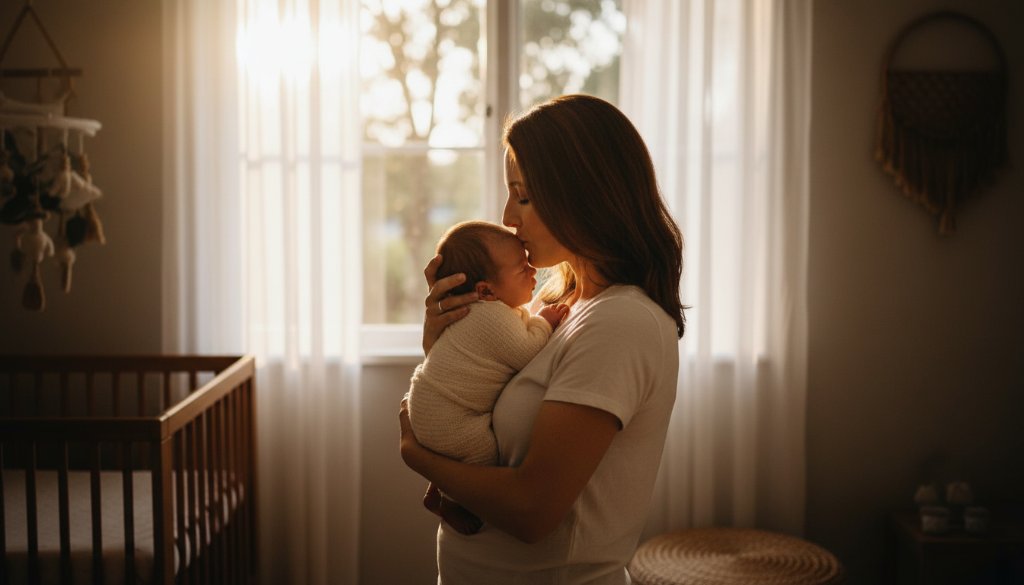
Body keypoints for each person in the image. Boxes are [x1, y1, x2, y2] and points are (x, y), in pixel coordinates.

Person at [399, 94, 686, 585]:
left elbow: (532, 510)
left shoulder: (622, 323)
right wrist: (442, 347)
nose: (509, 217)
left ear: (585, 195)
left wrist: (416, 455)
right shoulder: (562, 307)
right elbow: (493, 409)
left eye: (524, 196)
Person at [406, 220, 568, 533]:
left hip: (433, 402)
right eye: (522, 270)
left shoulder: (494, 309)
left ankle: (441, 494)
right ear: (485, 290)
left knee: (463, 459)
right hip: (446, 413)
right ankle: (453, 502)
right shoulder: (490, 316)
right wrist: (545, 321)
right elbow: (527, 351)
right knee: (483, 458)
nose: (533, 272)